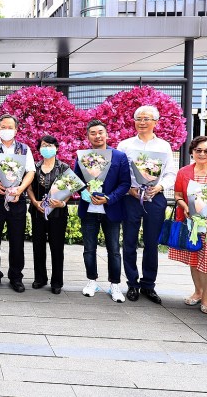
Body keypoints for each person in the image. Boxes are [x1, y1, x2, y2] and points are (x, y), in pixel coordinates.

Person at [117, 105, 178, 304]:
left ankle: (148, 284)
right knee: (129, 242)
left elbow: (170, 173)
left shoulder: (164, 146)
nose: (142, 122)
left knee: (152, 243)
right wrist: (129, 189)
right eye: (138, 118)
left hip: (155, 197)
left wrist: (159, 186)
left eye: (146, 119)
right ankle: (132, 284)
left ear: (156, 122)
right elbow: (118, 172)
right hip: (131, 198)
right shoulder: (125, 145)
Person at [0, 114, 35, 292]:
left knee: (17, 240)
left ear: (16, 130)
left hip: (17, 200)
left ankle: (16, 277)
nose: (6, 130)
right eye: (3, 127)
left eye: (10, 127)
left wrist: (21, 188)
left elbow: (30, 171)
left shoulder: (24, 149)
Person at [170, 136, 207, 314]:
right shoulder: (184, 172)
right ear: (192, 152)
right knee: (194, 258)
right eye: (198, 150)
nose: (202, 154)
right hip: (191, 222)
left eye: (206, 151)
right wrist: (186, 207)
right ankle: (197, 292)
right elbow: (178, 195)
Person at [75, 121, 131, 302]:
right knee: (89, 249)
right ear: (87, 136)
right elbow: (76, 180)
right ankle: (92, 281)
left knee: (114, 250)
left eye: (100, 132)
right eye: (93, 133)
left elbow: (125, 183)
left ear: (107, 134)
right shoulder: (82, 156)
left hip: (111, 209)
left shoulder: (119, 156)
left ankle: (114, 285)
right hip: (89, 210)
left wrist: (109, 198)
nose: (97, 136)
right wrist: (84, 192)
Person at [27, 135, 71, 295]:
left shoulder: (64, 167)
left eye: (50, 145)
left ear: (57, 148)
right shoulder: (34, 168)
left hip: (58, 213)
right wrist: (34, 202)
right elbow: (29, 187)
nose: (47, 148)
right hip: (38, 211)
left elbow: (70, 188)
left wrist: (62, 203)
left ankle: (57, 281)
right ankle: (40, 278)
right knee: (38, 246)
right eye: (44, 145)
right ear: (39, 149)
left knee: (57, 247)